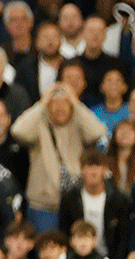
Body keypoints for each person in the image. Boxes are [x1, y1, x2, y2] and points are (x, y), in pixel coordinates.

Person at [10, 83, 108, 232]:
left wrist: (76, 102)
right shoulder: (38, 125)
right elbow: (18, 130)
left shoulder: (78, 123)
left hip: (75, 202)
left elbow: (98, 132)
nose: (59, 108)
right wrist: (42, 103)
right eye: (54, 104)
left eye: (65, 103)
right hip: (43, 205)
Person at [58, 149, 132, 259]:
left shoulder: (118, 200)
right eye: (88, 167)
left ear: (104, 170)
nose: (93, 172)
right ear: (81, 171)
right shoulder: (70, 199)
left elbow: (122, 239)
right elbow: (64, 232)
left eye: (97, 166)